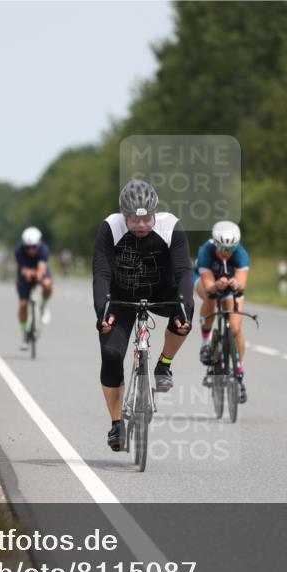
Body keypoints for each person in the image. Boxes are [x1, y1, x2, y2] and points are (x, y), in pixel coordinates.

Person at [93, 179, 194, 451]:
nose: (141, 226)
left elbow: (185, 271)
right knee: (112, 354)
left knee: (185, 315)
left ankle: (164, 363)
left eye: (147, 219)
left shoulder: (170, 226)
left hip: (162, 292)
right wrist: (102, 311)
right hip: (122, 296)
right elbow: (101, 274)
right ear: (123, 216)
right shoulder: (110, 227)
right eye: (134, 220)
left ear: (155, 213)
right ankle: (116, 424)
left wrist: (184, 305)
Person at [195, 220, 250, 402]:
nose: (225, 254)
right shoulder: (205, 252)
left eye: (230, 250)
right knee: (210, 298)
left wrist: (236, 283)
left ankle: (239, 370)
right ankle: (206, 342)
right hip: (208, 282)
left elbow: (242, 285)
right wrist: (216, 285)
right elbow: (209, 286)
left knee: (235, 328)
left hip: (230, 287)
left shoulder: (241, 254)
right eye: (222, 250)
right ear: (215, 243)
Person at [15, 227, 53, 350]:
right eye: (28, 247)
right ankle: (24, 333)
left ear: (39, 244)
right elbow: (23, 269)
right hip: (25, 275)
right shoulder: (19, 250)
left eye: (34, 247)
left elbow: (42, 267)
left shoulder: (44, 249)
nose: (31, 250)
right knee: (23, 304)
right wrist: (28, 273)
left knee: (48, 284)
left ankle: (44, 306)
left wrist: (38, 276)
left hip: (39, 271)